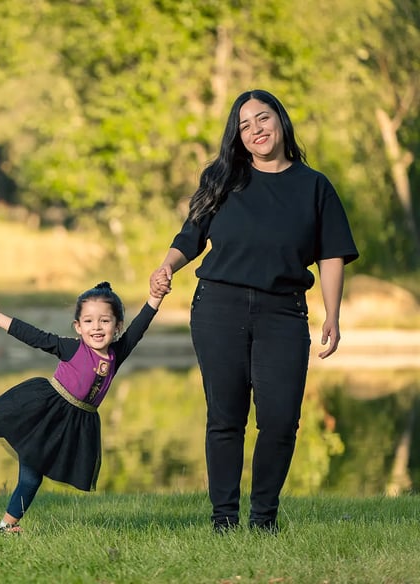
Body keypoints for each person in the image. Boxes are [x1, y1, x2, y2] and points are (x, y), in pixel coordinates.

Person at [150, 89, 359, 533]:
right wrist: (166, 266)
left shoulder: (314, 185)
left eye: (263, 119)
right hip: (218, 308)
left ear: (280, 121)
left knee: (281, 420)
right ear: (238, 137)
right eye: (245, 126)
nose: (256, 130)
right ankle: (223, 520)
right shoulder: (222, 178)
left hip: (283, 312)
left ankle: (263, 519)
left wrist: (333, 315)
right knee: (225, 418)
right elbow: (191, 236)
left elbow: (333, 254)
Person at [0, 282, 165, 533]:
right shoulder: (73, 348)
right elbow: (34, 336)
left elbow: (139, 328)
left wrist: (155, 297)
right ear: (78, 326)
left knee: (31, 478)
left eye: (104, 321)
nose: (96, 327)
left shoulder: (117, 354)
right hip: (38, 408)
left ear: (117, 327)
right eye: (88, 321)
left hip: (67, 424)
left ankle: (6, 526)